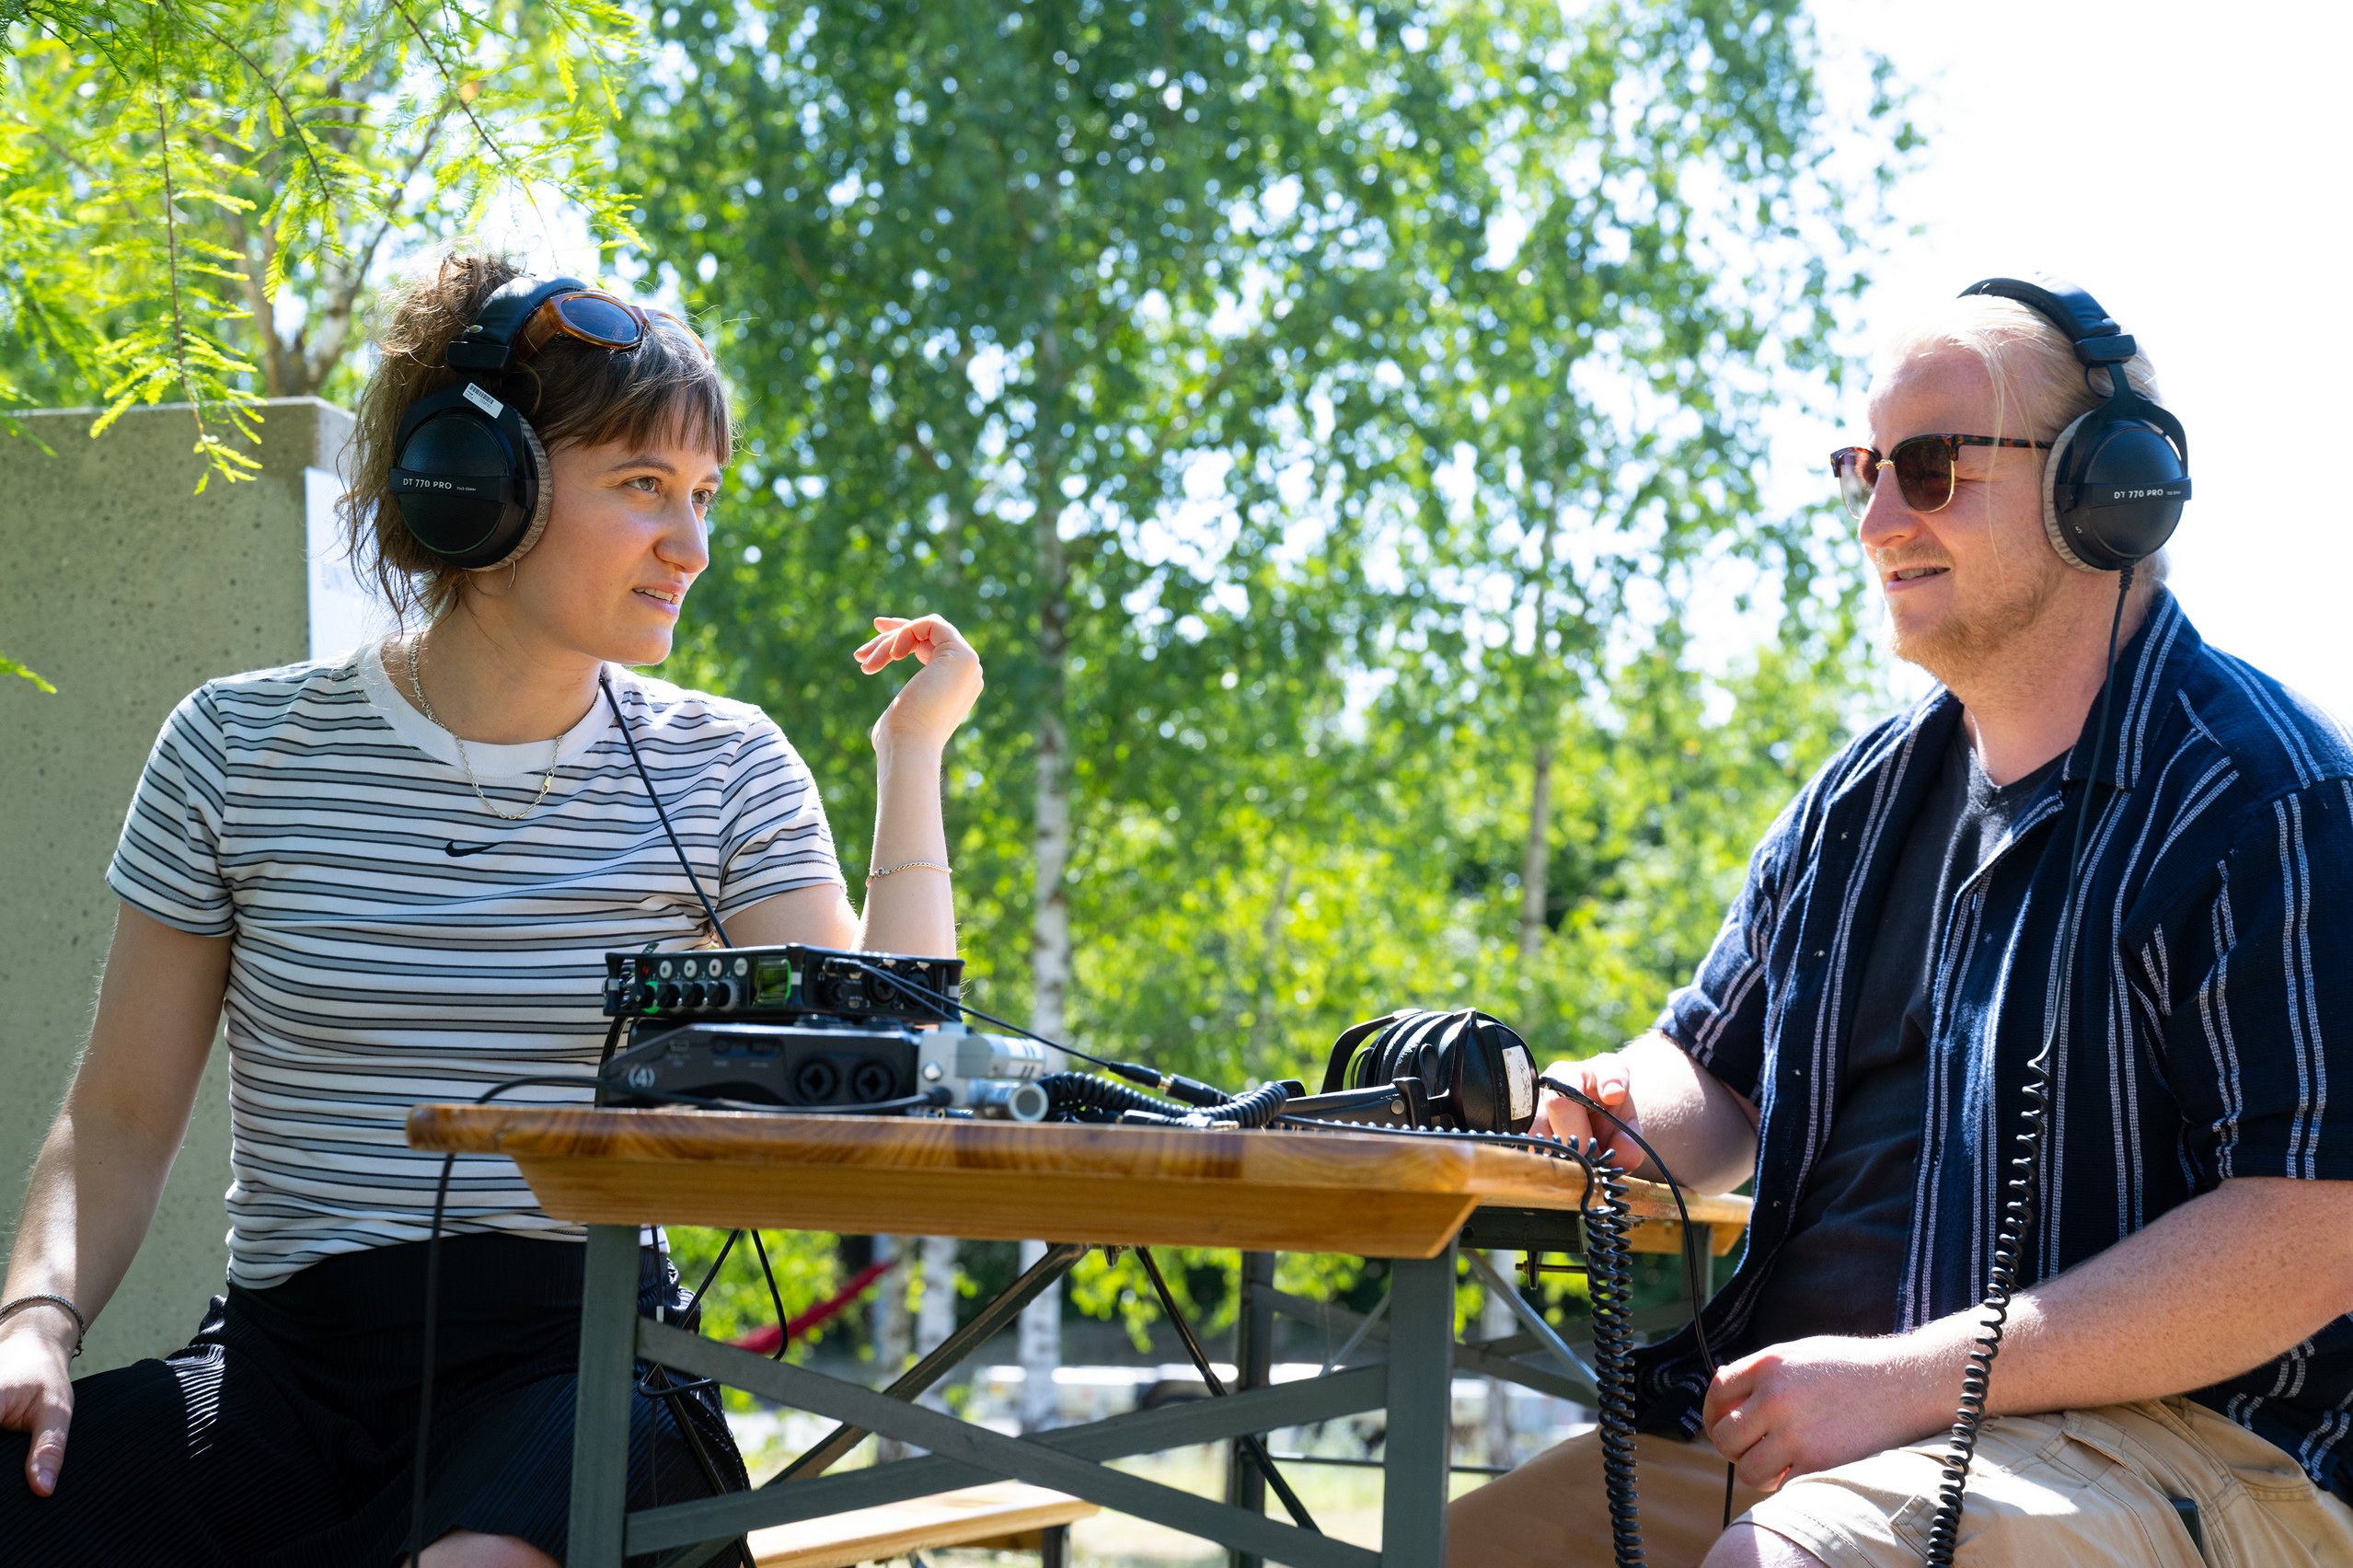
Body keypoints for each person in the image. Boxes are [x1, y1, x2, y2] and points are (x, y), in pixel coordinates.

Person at [0, 252, 984, 1567]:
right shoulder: (234, 748)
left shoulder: (729, 767)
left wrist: (908, 761)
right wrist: (38, 1321)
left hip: (585, 1380)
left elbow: (886, 1086)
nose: (689, 545)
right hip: (287, 1377)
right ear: (476, 482)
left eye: (702, 497)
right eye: (644, 488)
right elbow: (116, 1117)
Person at [1448, 282, 2353, 1567]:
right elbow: (1708, 1082)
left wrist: (1910, 1379)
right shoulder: (1857, 805)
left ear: (2109, 493)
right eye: (1861, 469)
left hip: (2191, 1446)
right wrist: (1592, 1099)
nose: (1877, 521)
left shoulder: (2267, 799)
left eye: (1927, 469)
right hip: (1824, 1438)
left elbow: (2316, 1231)